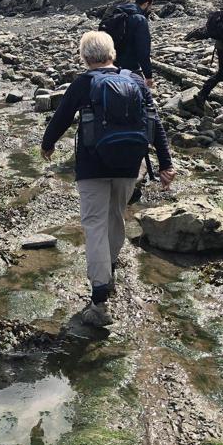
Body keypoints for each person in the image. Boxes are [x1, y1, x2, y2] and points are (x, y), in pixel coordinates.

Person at [41, 30, 175, 327]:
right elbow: (155, 123)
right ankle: (109, 269)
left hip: (92, 166)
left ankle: (99, 297)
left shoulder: (84, 82)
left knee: (95, 225)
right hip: (129, 163)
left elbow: (61, 117)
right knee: (116, 217)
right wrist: (165, 164)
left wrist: (47, 144)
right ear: (112, 54)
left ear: (85, 57)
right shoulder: (136, 81)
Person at [103, 0, 154, 87]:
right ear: (146, 4)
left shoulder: (118, 13)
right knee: (140, 95)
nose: (150, 9)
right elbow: (143, 50)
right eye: (150, 6)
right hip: (130, 66)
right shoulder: (140, 20)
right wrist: (148, 76)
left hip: (111, 63)